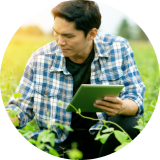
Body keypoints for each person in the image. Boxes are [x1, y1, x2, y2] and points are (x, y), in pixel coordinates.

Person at [4, 0, 145, 158]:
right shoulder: (40, 59)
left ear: (91, 34)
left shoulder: (118, 48)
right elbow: (18, 108)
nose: (60, 41)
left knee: (129, 125)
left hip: (100, 139)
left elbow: (135, 97)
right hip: (56, 142)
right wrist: (7, 129)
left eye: (68, 36)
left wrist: (121, 107)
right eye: (56, 32)